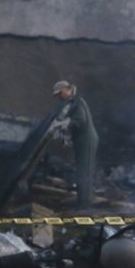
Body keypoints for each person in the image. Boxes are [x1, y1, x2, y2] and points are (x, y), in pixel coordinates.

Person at [52, 80, 99, 209]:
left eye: (60, 93)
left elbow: (80, 120)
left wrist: (66, 123)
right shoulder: (71, 103)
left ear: (66, 90)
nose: (59, 97)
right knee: (81, 171)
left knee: (85, 171)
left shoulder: (77, 102)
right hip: (81, 140)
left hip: (87, 139)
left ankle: (84, 205)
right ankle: (83, 201)